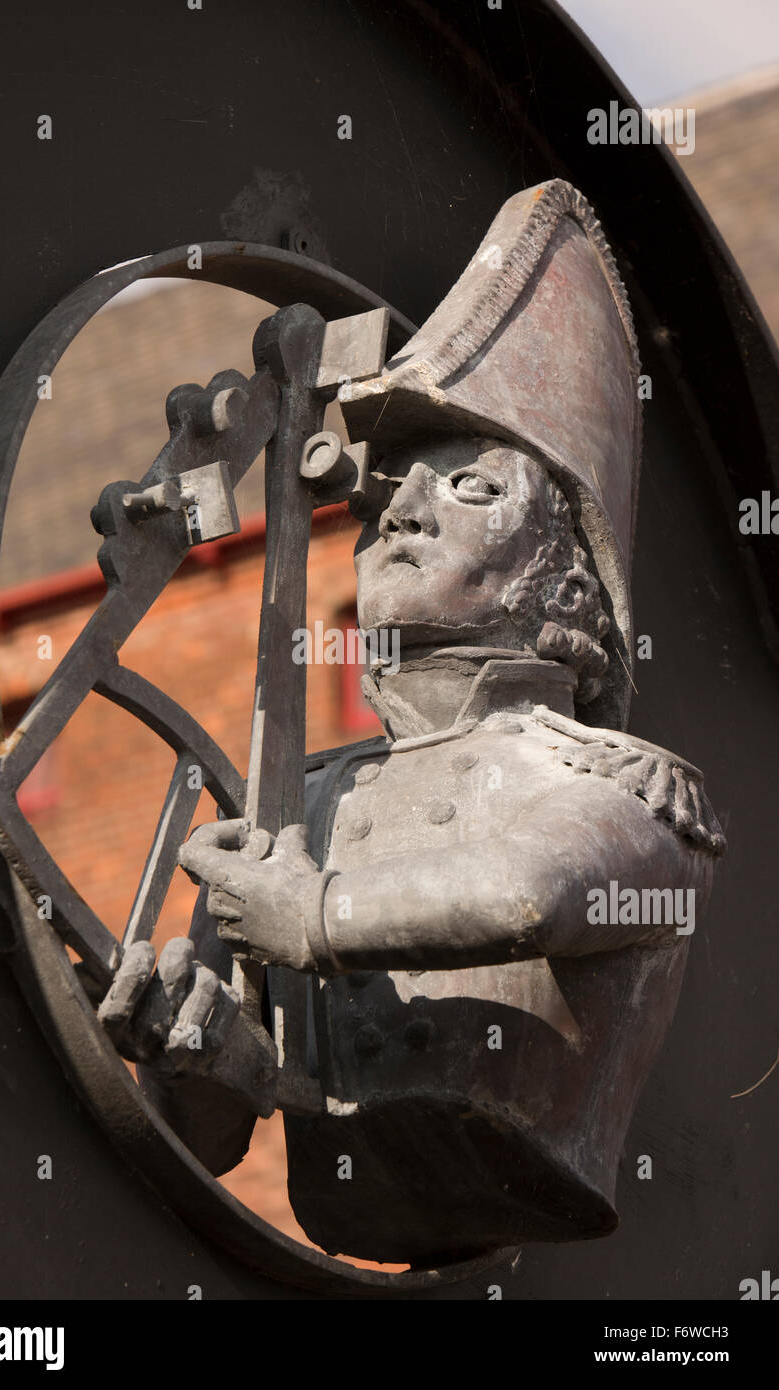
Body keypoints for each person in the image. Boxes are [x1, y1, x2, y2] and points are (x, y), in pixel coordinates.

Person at [98, 180, 725, 1265]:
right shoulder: (305, 799)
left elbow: (533, 891)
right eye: (393, 489)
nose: (401, 508)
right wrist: (190, 1045)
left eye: (470, 487)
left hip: (529, 1170)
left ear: (566, 587)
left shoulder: (623, 784)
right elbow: (208, 1134)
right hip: (351, 1204)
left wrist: (313, 914)